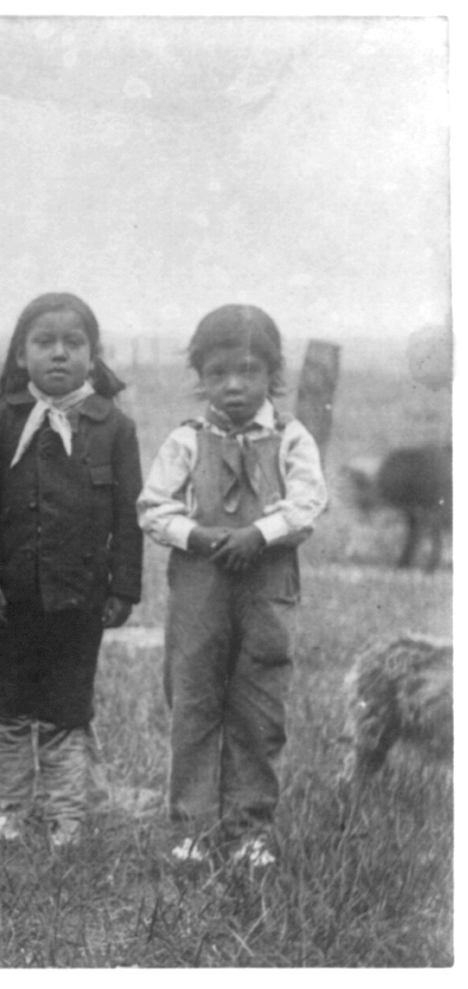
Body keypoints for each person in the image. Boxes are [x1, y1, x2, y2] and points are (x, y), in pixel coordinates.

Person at [138, 304, 327, 867]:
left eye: (248, 370)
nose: (234, 385)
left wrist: (259, 533)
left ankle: (250, 829)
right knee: (194, 700)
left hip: (267, 585)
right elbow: (152, 507)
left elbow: (309, 503)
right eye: (218, 373)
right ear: (201, 378)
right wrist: (195, 536)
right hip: (200, 586)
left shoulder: (292, 437)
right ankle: (192, 828)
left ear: (273, 373)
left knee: (259, 704)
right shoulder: (187, 440)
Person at [0, 292, 142, 848]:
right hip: (10, 597)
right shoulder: (2, 420)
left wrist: (124, 588)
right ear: (22, 355)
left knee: (68, 708)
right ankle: (10, 813)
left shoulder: (114, 428)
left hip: (80, 598)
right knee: (9, 704)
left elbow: (128, 516)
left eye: (74, 343)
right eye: (45, 342)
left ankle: (68, 818)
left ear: (93, 354)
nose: (59, 354)